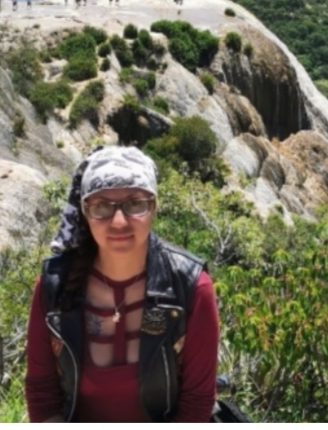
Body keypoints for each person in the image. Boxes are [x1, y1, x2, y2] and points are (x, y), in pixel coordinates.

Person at [26, 146, 219, 422]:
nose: (119, 221)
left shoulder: (191, 287)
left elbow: (196, 404)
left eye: (135, 204)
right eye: (102, 206)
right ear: (84, 212)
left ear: (154, 206)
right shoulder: (54, 286)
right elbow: (42, 393)